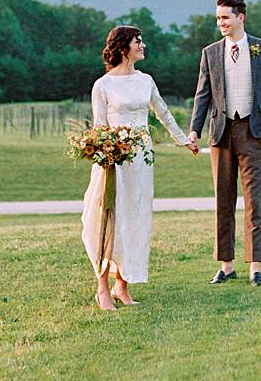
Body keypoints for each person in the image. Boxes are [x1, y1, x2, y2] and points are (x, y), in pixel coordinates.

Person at [82, 25, 199, 310]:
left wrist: (184, 140)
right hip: (114, 163)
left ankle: (122, 285)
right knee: (110, 219)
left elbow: (163, 113)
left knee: (136, 219)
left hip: (141, 161)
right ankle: (102, 288)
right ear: (124, 48)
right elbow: (99, 127)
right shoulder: (103, 85)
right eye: (138, 41)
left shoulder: (146, 80)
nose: (143, 45)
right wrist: (106, 151)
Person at [188, 0, 261, 287]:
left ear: (241, 17)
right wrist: (195, 129)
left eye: (225, 18)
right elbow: (202, 94)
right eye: (218, 18)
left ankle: (255, 267)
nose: (220, 23)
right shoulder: (210, 52)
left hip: (253, 132)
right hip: (221, 133)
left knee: (254, 202)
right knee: (223, 199)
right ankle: (226, 266)